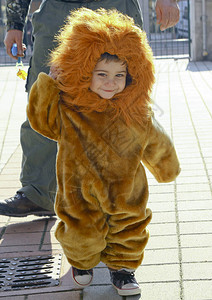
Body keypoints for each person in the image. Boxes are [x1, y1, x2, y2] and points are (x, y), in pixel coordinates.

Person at [27, 8, 180, 296]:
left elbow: (155, 140)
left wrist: (166, 167)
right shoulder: (70, 110)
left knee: (129, 226)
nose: (111, 82)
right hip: (78, 189)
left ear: (132, 74)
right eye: (102, 74)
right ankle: (82, 264)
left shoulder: (136, 113)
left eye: (119, 75)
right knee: (80, 227)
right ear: (85, 72)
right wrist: (48, 82)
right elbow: (41, 120)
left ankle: (123, 270)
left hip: (126, 190)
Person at [0, 0, 180, 218]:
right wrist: (14, 24)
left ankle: (119, 198)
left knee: (124, 101)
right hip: (57, 10)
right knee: (45, 94)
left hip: (115, 7)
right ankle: (38, 192)